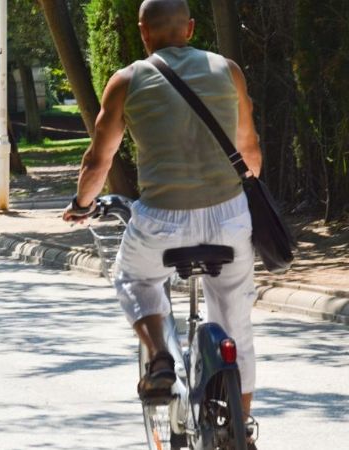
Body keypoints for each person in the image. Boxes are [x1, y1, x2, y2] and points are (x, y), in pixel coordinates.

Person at [62, 0, 262, 444]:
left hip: (162, 219)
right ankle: (241, 432)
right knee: (236, 321)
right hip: (229, 216)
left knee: (135, 278)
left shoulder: (127, 80)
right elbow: (250, 152)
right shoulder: (228, 70)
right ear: (190, 29)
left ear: (142, 32)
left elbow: (99, 160)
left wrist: (81, 203)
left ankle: (158, 357)